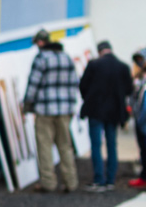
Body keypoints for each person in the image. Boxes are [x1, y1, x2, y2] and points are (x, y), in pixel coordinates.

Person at [23, 29, 79, 193]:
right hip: (65, 110)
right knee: (65, 146)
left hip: (45, 109)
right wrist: (70, 106)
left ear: (40, 43)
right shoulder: (66, 57)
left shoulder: (41, 59)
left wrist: (27, 105)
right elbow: (74, 83)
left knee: (44, 145)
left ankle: (48, 182)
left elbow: (33, 84)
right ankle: (71, 181)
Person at [79, 41, 133, 192]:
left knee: (96, 145)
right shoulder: (123, 66)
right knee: (111, 145)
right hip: (115, 112)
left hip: (95, 110)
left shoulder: (94, 65)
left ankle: (99, 179)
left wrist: (89, 98)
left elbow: (83, 86)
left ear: (99, 51)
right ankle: (111, 180)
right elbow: (128, 89)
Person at [129, 49, 146, 189]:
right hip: (140, 122)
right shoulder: (139, 80)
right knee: (143, 151)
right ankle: (143, 176)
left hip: (143, 122)